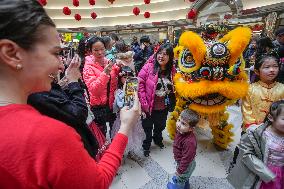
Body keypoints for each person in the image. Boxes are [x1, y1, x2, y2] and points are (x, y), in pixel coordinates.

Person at [0, 0, 140, 188]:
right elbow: (97, 182)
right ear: (12, 53)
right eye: (55, 53)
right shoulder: (49, 135)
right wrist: (125, 125)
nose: (60, 65)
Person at [27, 54, 100, 159]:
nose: (62, 66)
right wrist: (73, 81)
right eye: (55, 53)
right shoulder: (38, 94)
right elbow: (79, 114)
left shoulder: (45, 87)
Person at [227, 100, 284, 189]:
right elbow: (246, 154)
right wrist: (265, 172)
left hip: (281, 174)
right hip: (261, 174)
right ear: (271, 117)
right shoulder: (256, 134)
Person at [138, 44, 176, 157]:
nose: (161, 56)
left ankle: (158, 139)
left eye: (165, 54)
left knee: (160, 126)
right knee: (147, 128)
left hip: (163, 106)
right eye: (160, 53)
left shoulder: (172, 70)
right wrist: (144, 103)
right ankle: (146, 145)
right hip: (148, 106)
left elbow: (175, 86)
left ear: (170, 57)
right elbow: (139, 84)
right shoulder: (148, 67)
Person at [83, 36, 122, 136]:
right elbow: (94, 89)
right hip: (98, 107)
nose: (100, 53)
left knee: (115, 131)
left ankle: (114, 149)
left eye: (102, 49)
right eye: (96, 50)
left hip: (112, 103)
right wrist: (105, 73)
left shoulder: (108, 61)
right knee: (100, 135)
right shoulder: (88, 67)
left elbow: (115, 76)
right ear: (90, 51)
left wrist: (120, 68)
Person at [242, 55, 284, 129]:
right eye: (267, 67)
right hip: (253, 129)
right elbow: (246, 109)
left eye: (275, 66)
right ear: (257, 71)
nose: (272, 70)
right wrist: (253, 126)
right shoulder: (250, 89)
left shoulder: (282, 89)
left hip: (276, 129)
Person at [111, 66, 145, 157]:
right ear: (120, 78)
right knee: (123, 136)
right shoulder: (118, 91)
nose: (127, 79)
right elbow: (119, 105)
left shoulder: (135, 90)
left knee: (133, 136)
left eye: (130, 77)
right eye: (125, 77)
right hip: (123, 119)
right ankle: (120, 154)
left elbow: (138, 101)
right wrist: (125, 94)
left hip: (134, 119)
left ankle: (131, 152)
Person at [167, 109, 199, 189]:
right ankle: (186, 184)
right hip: (182, 161)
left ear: (191, 129)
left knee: (181, 178)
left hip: (185, 164)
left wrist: (179, 171)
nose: (178, 124)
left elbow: (186, 159)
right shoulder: (182, 131)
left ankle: (179, 186)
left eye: (183, 124)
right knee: (184, 176)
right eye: (179, 120)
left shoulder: (189, 142)